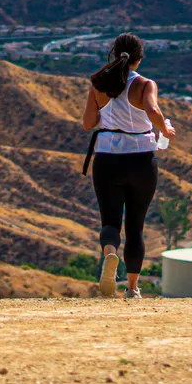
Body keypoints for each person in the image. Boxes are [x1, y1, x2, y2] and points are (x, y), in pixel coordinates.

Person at [80, 33, 176, 299]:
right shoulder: (145, 84)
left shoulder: (99, 85)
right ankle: (132, 289)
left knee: (110, 221)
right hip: (141, 159)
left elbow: (88, 124)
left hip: (107, 158)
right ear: (139, 59)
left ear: (114, 55)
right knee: (136, 226)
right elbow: (153, 111)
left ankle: (110, 254)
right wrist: (165, 130)